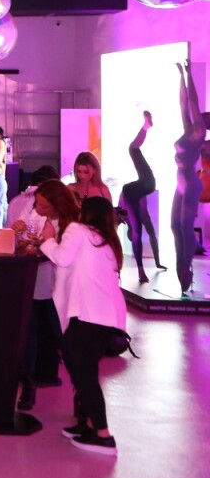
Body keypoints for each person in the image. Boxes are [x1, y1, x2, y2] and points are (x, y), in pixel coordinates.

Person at [33, 196, 128, 456]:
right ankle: (88, 424)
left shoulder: (79, 230)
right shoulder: (106, 239)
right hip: (105, 316)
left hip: (89, 315)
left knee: (84, 376)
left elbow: (62, 258)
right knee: (81, 371)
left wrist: (48, 239)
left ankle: (103, 435)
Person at [9, 174, 76, 411]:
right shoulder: (32, 210)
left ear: (58, 205)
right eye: (37, 203)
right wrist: (18, 235)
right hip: (36, 283)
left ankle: (81, 394)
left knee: (64, 339)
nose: (37, 208)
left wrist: (43, 244)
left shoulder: (72, 225)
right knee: (29, 334)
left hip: (62, 290)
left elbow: (63, 256)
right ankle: (28, 384)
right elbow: (22, 242)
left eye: (44, 206)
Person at [173, 61, 207, 295]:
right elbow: (183, 103)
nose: (193, 116)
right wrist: (181, 77)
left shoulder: (198, 133)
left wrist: (190, 74)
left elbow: (193, 103)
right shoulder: (187, 131)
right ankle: (181, 267)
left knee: (185, 228)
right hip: (180, 182)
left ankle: (186, 269)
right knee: (174, 226)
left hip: (191, 184)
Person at [120, 112, 163, 283]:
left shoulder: (125, 214)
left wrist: (157, 263)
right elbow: (152, 236)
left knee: (133, 149)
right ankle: (140, 271)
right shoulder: (140, 217)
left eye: (130, 232)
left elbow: (149, 236)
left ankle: (146, 126)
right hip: (147, 183)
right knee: (132, 149)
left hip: (146, 183)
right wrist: (156, 262)